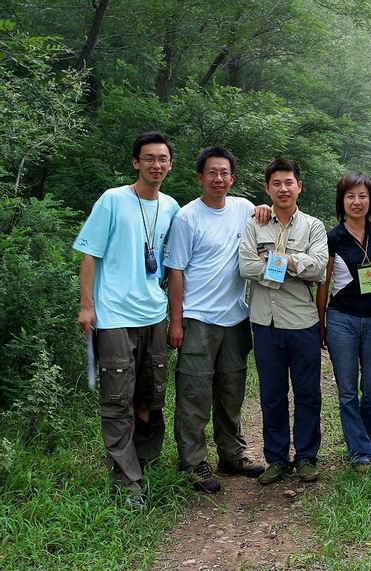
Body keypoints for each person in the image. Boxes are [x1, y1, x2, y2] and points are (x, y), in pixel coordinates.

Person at [74, 131, 180, 507]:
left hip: (154, 313)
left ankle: (144, 462)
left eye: (162, 159)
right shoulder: (113, 200)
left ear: (170, 164)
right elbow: (90, 255)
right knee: (118, 398)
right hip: (114, 314)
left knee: (151, 396)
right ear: (136, 162)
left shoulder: (171, 207)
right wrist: (87, 306)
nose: (156, 165)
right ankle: (127, 481)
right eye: (148, 158)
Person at [164, 147, 265, 493]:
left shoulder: (243, 208)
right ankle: (193, 462)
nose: (218, 179)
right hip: (197, 318)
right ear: (200, 177)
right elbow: (176, 271)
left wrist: (264, 208)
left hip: (235, 318)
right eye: (211, 173)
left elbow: (267, 220)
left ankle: (232, 454)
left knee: (231, 390)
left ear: (232, 178)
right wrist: (176, 321)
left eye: (224, 173)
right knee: (194, 393)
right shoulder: (186, 217)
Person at [239, 159, 328, 485]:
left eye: (289, 182)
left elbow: (319, 267)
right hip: (265, 323)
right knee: (272, 395)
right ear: (268, 188)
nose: (283, 188)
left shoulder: (313, 227)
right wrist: (296, 266)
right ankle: (276, 459)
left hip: (303, 322)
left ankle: (306, 457)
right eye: (276, 183)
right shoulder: (255, 224)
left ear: (299, 186)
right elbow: (246, 266)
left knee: (307, 393)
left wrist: (278, 260)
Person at [316, 172, 371, 468]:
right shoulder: (332, 238)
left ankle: (367, 441)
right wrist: (321, 322)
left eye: (362, 196)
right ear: (341, 201)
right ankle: (360, 451)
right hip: (341, 319)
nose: (357, 202)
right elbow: (324, 282)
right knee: (347, 391)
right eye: (350, 196)